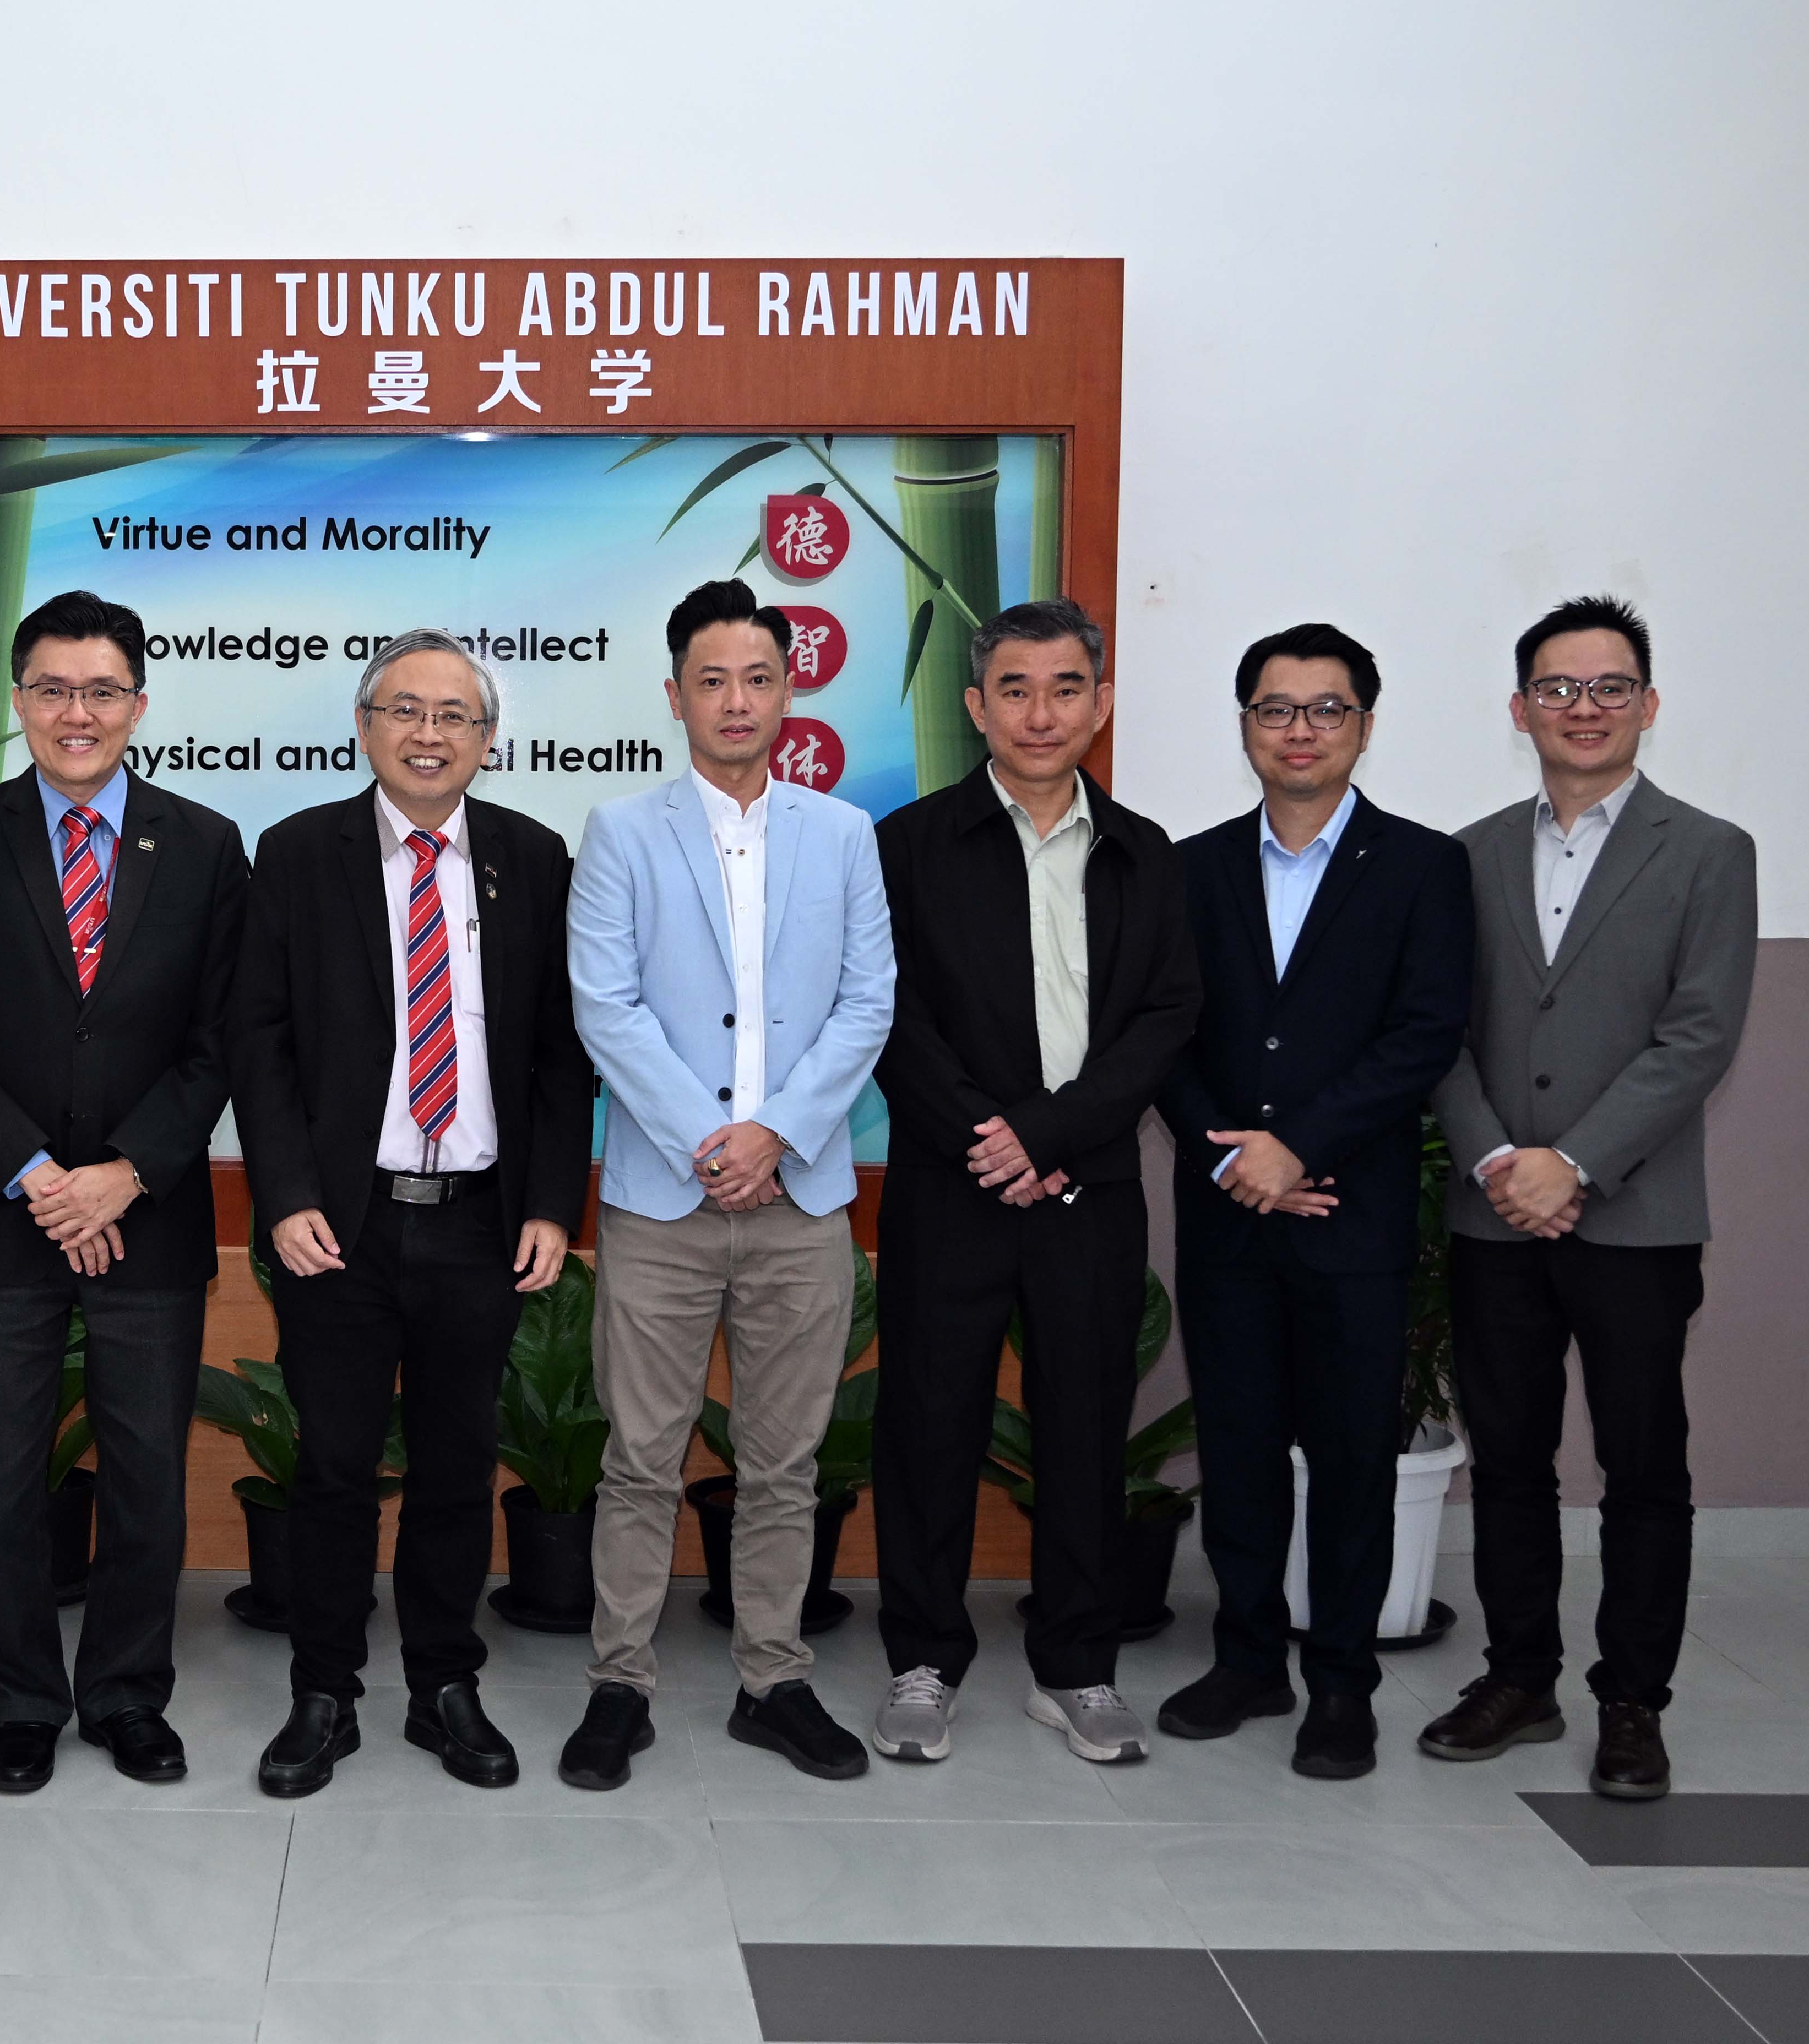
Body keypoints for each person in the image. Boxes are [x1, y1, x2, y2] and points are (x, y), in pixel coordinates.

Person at [232, 629, 593, 1798]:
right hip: (342, 1222)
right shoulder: (296, 852)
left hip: (481, 1220)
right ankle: (323, 1690)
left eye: (456, 714)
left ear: (489, 740)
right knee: (334, 1465)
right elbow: (261, 1040)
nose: (430, 732)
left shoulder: (534, 858)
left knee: (456, 1464)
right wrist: (283, 1193)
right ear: (366, 723)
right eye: (406, 709)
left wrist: (551, 1202)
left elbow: (556, 1054)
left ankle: (445, 1682)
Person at [0, 589, 248, 1794]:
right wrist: (41, 1174)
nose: (77, 712)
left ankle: (124, 1694)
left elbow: (221, 1041)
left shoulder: (204, 842)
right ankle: (22, 1698)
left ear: (140, 705)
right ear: (18, 700)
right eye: (52, 688)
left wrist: (127, 1173)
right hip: (4, 1211)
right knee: (1, 1471)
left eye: (102, 690)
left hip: (145, 1214)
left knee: (149, 1469)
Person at [557, 579, 894, 1791]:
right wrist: (713, 1137)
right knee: (639, 1456)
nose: (737, 699)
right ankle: (620, 1680)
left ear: (789, 690)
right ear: (675, 694)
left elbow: (868, 1003)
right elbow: (608, 1006)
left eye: (759, 677)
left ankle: (774, 1673)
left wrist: (780, 1136)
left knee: (784, 1459)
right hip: (662, 1197)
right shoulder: (621, 833)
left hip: (800, 1200)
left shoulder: (844, 834)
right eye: (713, 678)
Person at [1422, 595, 1756, 1801]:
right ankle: (1519, 1675)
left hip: (1637, 1218)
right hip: (1494, 1210)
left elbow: (1700, 1032)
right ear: (1521, 710)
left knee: (1642, 1466)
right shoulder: (1464, 853)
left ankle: (1632, 1700)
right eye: (1558, 688)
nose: (1584, 707)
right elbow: (1439, 1034)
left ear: (1649, 705)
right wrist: (1504, 1161)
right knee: (1509, 1458)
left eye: (1610, 686)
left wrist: (1579, 1160)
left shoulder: (1710, 851)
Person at [868, 596, 1199, 1768]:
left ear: (1100, 704)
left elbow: (1165, 1018)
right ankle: (923, 1656)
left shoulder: (1146, 851)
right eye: (1015, 688)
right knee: (927, 1423)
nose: (1041, 710)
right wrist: (988, 1135)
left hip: (1089, 1186)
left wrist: (1049, 1135)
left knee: (1083, 1423)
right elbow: (889, 1014)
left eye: (1066, 687)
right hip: (950, 1183)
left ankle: (1076, 1663)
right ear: (975, 707)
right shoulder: (906, 844)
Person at [1150, 626, 1471, 1779]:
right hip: (1230, 1208)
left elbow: (1424, 1033)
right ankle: (1246, 1657)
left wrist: (1300, 1147)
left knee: (1348, 1456)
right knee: (1236, 1446)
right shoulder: (1189, 868)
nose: (1300, 729)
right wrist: (1231, 1151)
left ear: (1365, 725)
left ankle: (1342, 1679)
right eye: (1275, 708)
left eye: (1326, 709)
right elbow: (1163, 1032)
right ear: (1244, 725)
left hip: (1353, 1211)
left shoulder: (1426, 867)